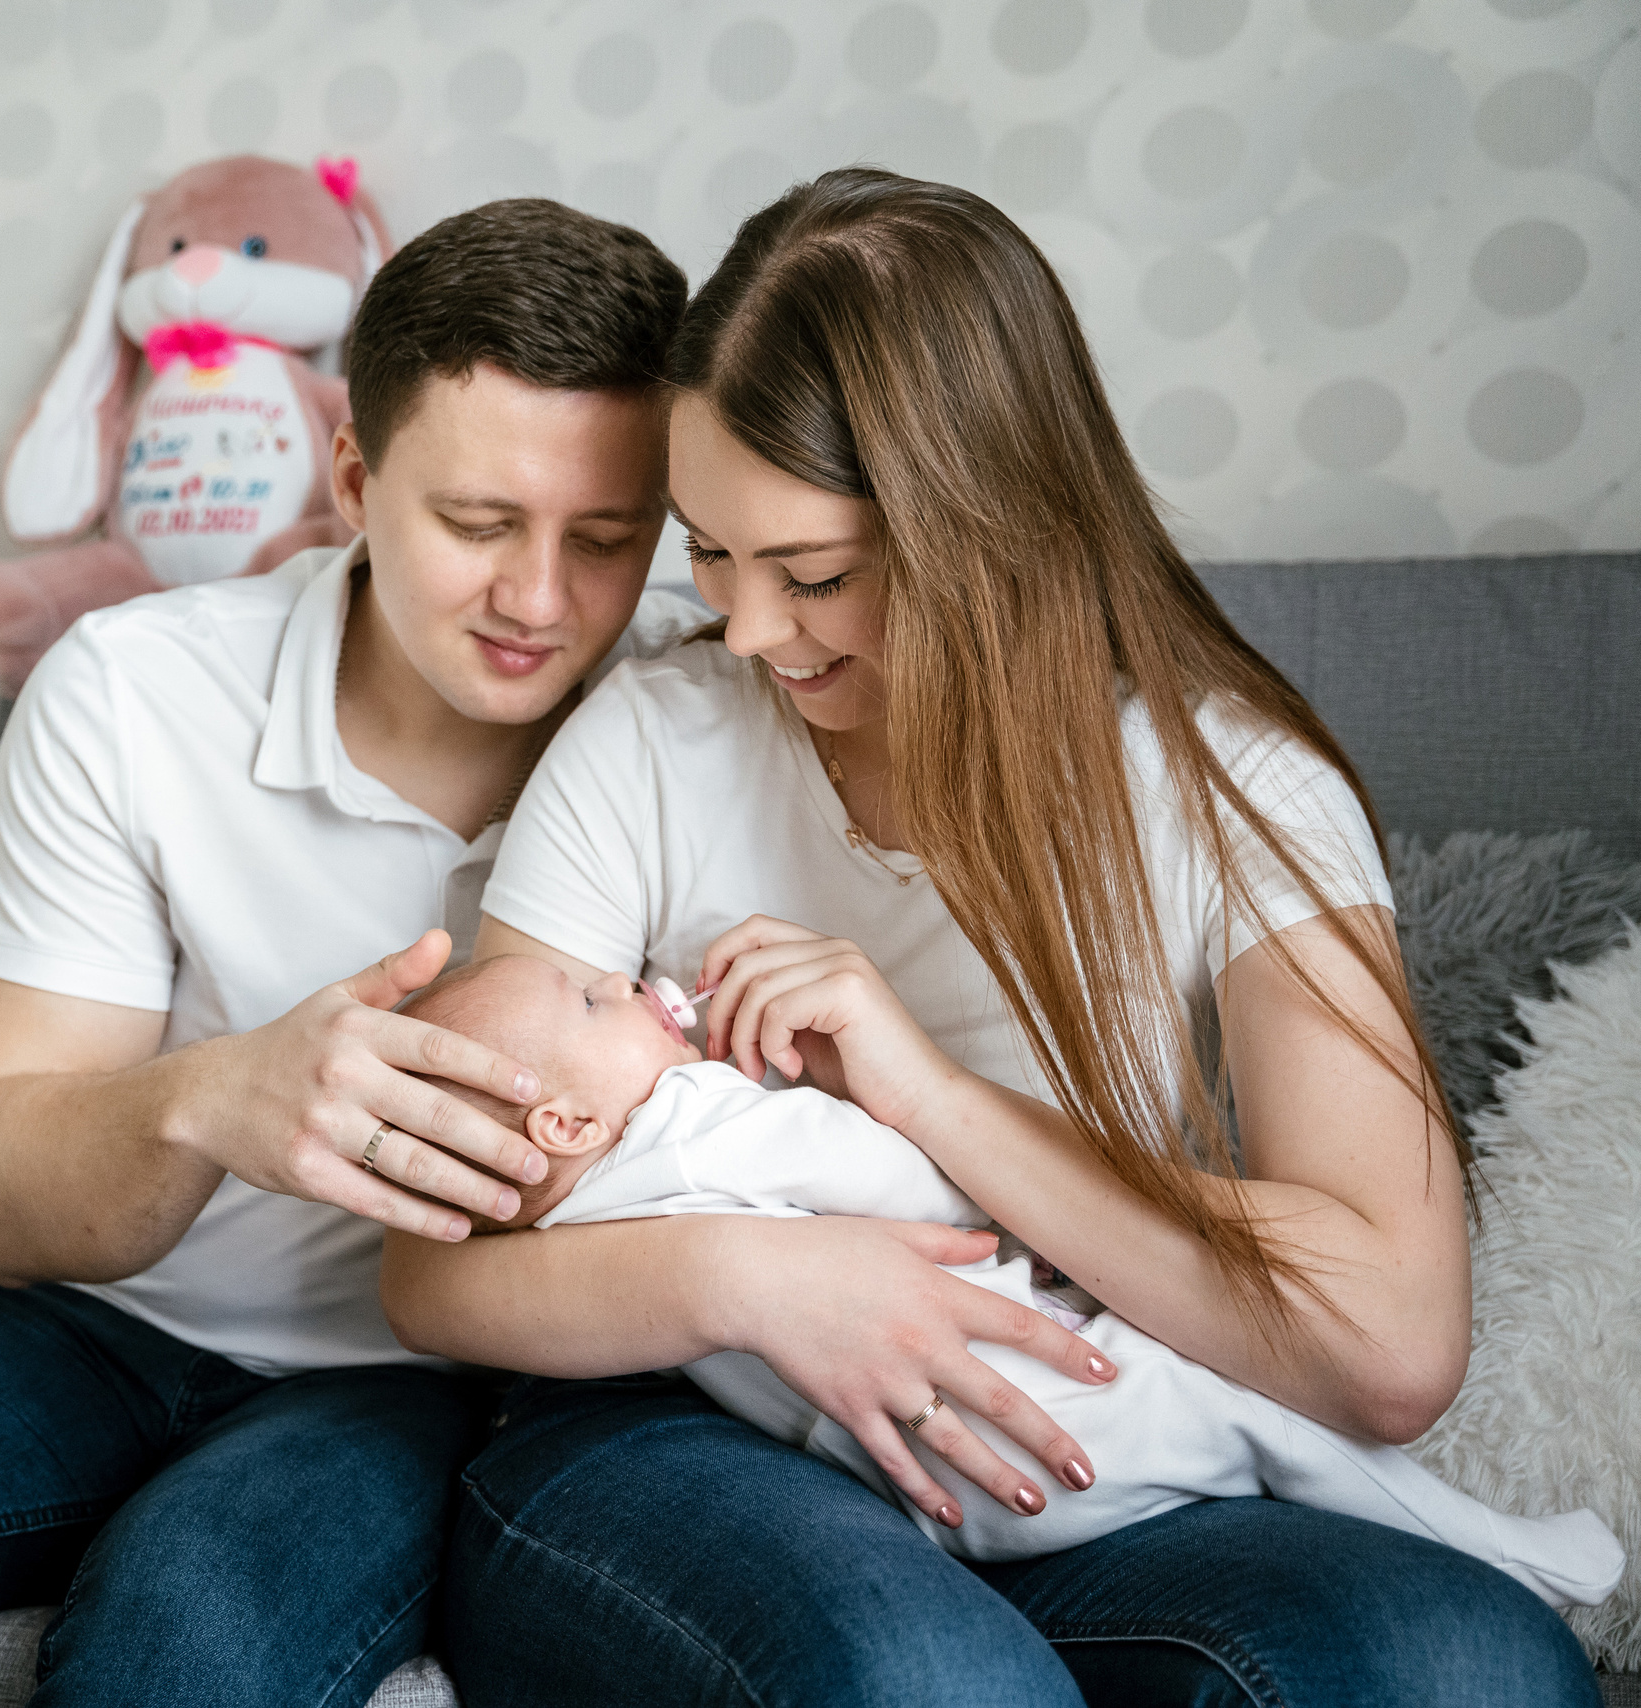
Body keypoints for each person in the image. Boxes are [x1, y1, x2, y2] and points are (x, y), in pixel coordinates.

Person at [380, 168, 1602, 1706]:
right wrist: (757, 1287)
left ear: (993, 528)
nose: (750, 633)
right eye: (710, 552)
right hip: (678, 1422)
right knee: (922, 1679)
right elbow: (432, 1276)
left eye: (814, 573)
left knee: (1470, 1668)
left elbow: (1390, 1350)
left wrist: (930, 1097)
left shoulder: (1232, 793)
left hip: (1056, 1429)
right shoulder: (652, 742)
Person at [0, 198, 695, 1707]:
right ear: (355, 479)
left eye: (608, 540)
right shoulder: (133, 693)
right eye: (481, 525)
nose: (541, 600)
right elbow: (0, 1194)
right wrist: (213, 1099)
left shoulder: (699, 721)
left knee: (180, 1652)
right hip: (98, 1323)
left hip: (418, 1390)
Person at [397, 953, 1623, 1609]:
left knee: (1245, 1434)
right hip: (1020, 1414)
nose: (628, 982)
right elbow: (883, 1178)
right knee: (1250, 1413)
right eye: (595, 996)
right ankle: (1504, 1548)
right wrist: (976, 1195)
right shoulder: (689, 1118)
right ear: (557, 1119)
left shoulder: (584, 1206)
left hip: (917, 1471)